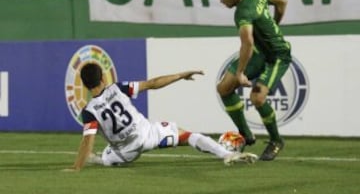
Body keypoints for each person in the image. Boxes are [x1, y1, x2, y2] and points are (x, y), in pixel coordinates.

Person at [63, 63, 258, 171]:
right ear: (103, 78)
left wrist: (76, 167)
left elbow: (87, 140)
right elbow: (153, 83)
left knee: (101, 158)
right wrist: (180, 74)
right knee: (188, 136)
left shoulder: (89, 111)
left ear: (85, 85)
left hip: (125, 153)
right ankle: (226, 154)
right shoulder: (119, 88)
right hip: (149, 135)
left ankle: (101, 160)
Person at [215, 0, 292, 161]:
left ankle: (276, 140)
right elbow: (282, 2)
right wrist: (274, 24)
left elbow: (247, 44)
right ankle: (246, 134)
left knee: (257, 98)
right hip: (261, 52)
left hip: (277, 56)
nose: (221, 1)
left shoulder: (242, 12)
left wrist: (240, 73)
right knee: (224, 88)